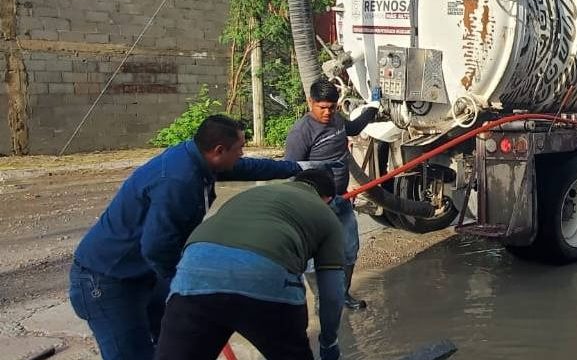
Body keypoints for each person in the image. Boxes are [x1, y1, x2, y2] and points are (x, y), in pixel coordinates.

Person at [68, 115, 303, 360]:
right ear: (218, 150)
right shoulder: (178, 180)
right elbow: (157, 247)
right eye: (240, 149)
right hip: (107, 280)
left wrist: (296, 168)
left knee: (177, 342)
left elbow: (245, 167)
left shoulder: (197, 159)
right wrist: (188, 280)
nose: (242, 155)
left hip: (143, 274)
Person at [155, 169, 344, 360]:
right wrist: (329, 342)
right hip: (265, 276)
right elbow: (332, 293)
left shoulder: (249, 195)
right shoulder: (326, 216)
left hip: (192, 272)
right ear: (328, 199)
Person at [285, 78, 380, 309]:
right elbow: (290, 172)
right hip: (313, 205)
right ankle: (322, 299)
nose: (327, 113)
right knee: (311, 259)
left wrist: (373, 107)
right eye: (322, 107)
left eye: (332, 107)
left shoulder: (337, 120)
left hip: (341, 200)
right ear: (310, 102)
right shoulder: (301, 132)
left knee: (349, 249)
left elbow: (355, 128)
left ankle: (342, 294)